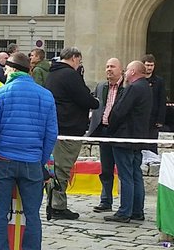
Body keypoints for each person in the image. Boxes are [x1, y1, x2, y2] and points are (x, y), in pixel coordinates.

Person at [0, 52, 58, 250]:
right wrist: (41, 158)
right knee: (32, 214)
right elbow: (51, 133)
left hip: (4, 160)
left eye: (6, 69)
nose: (4, 73)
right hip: (32, 161)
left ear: (13, 70)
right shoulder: (46, 96)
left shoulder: (0, 94)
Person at [45, 47, 99, 219]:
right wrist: (95, 101)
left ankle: (52, 203)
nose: (79, 65)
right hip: (68, 128)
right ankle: (58, 207)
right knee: (62, 169)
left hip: (56, 128)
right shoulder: (69, 75)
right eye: (80, 61)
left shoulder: (52, 73)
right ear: (74, 58)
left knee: (54, 168)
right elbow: (85, 99)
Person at [105, 61, 152, 223]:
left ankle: (125, 211)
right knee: (135, 174)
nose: (125, 74)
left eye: (127, 71)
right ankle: (137, 211)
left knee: (126, 176)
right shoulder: (146, 87)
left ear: (132, 72)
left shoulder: (133, 88)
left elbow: (120, 111)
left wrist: (110, 127)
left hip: (125, 138)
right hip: (137, 138)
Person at [87, 58, 124, 213]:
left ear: (120, 69)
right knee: (106, 168)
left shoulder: (127, 87)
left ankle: (126, 204)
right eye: (107, 66)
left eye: (112, 66)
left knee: (124, 170)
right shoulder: (101, 86)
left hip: (121, 133)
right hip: (104, 131)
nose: (109, 69)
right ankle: (105, 200)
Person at [141, 54, 166, 154]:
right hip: (140, 118)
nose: (149, 68)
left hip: (153, 119)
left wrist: (160, 119)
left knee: (152, 144)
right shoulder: (139, 80)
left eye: (151, 65)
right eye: (147, 65)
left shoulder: (159, 81)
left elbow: (162, 100)